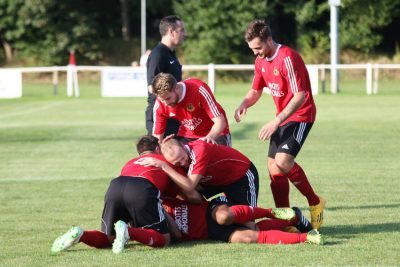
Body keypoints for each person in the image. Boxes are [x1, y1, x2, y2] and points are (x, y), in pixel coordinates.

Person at [234, 19, 326, 230]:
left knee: (283, 161)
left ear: (268, 40)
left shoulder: (288, 58)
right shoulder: (260, 61)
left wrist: (276, 121)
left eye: (258, 48)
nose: (255, 53)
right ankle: (287, 220)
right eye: (252, 49)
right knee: (274, 168)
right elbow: (256, 90)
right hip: (283, 118)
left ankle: (315, 201)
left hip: (301, 115)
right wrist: (244, 103)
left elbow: (300, 96)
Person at [51, 136, 201, 254]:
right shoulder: (163, 161)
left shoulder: (130, 162)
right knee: (164, 239)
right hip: (142, 188)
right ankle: (127, 232)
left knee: (108, 238)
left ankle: (81, 234)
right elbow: (189, 193)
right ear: (157, 148)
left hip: (116, 185)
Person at [136, 138, 258, 206]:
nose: (183, 163)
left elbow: (189, 185)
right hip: (212, 180)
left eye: (183, 158)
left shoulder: (200, 150)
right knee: (180, 189)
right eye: (177, 163)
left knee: (247, 221)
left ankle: (273, 215)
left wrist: (163, 166)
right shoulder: (174, 155)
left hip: (240, 176)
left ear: (184, 147)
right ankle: (205, 215)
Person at [163, 196, 322, 245]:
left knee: (224, 217)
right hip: (211, 232)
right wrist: (164, 216)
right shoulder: (156, 225)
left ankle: (270, 212)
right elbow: (176, 235)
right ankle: (305, 234)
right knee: (249, 235)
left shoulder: (164, 198)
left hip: (210, 210)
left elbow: (191, 194)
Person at [151, 73, 231, 146]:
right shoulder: (159, 104)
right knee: (177, 157)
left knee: (220, 160)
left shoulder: (198, 89)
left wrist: (208, 138)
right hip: (188, 135)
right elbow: (157, 137)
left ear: (177, 88)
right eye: (162, 100)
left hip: (215, 132)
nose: (165, 103)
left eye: (168, 98)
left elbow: (220, 122)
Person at [145, 15, 186, 136]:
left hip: (173, 112)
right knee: (160, 153)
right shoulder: (158, 55)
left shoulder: (171, 53)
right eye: (181, 30)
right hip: (162, 114)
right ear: (171, 32)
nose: (184, 34)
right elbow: (152, 87)